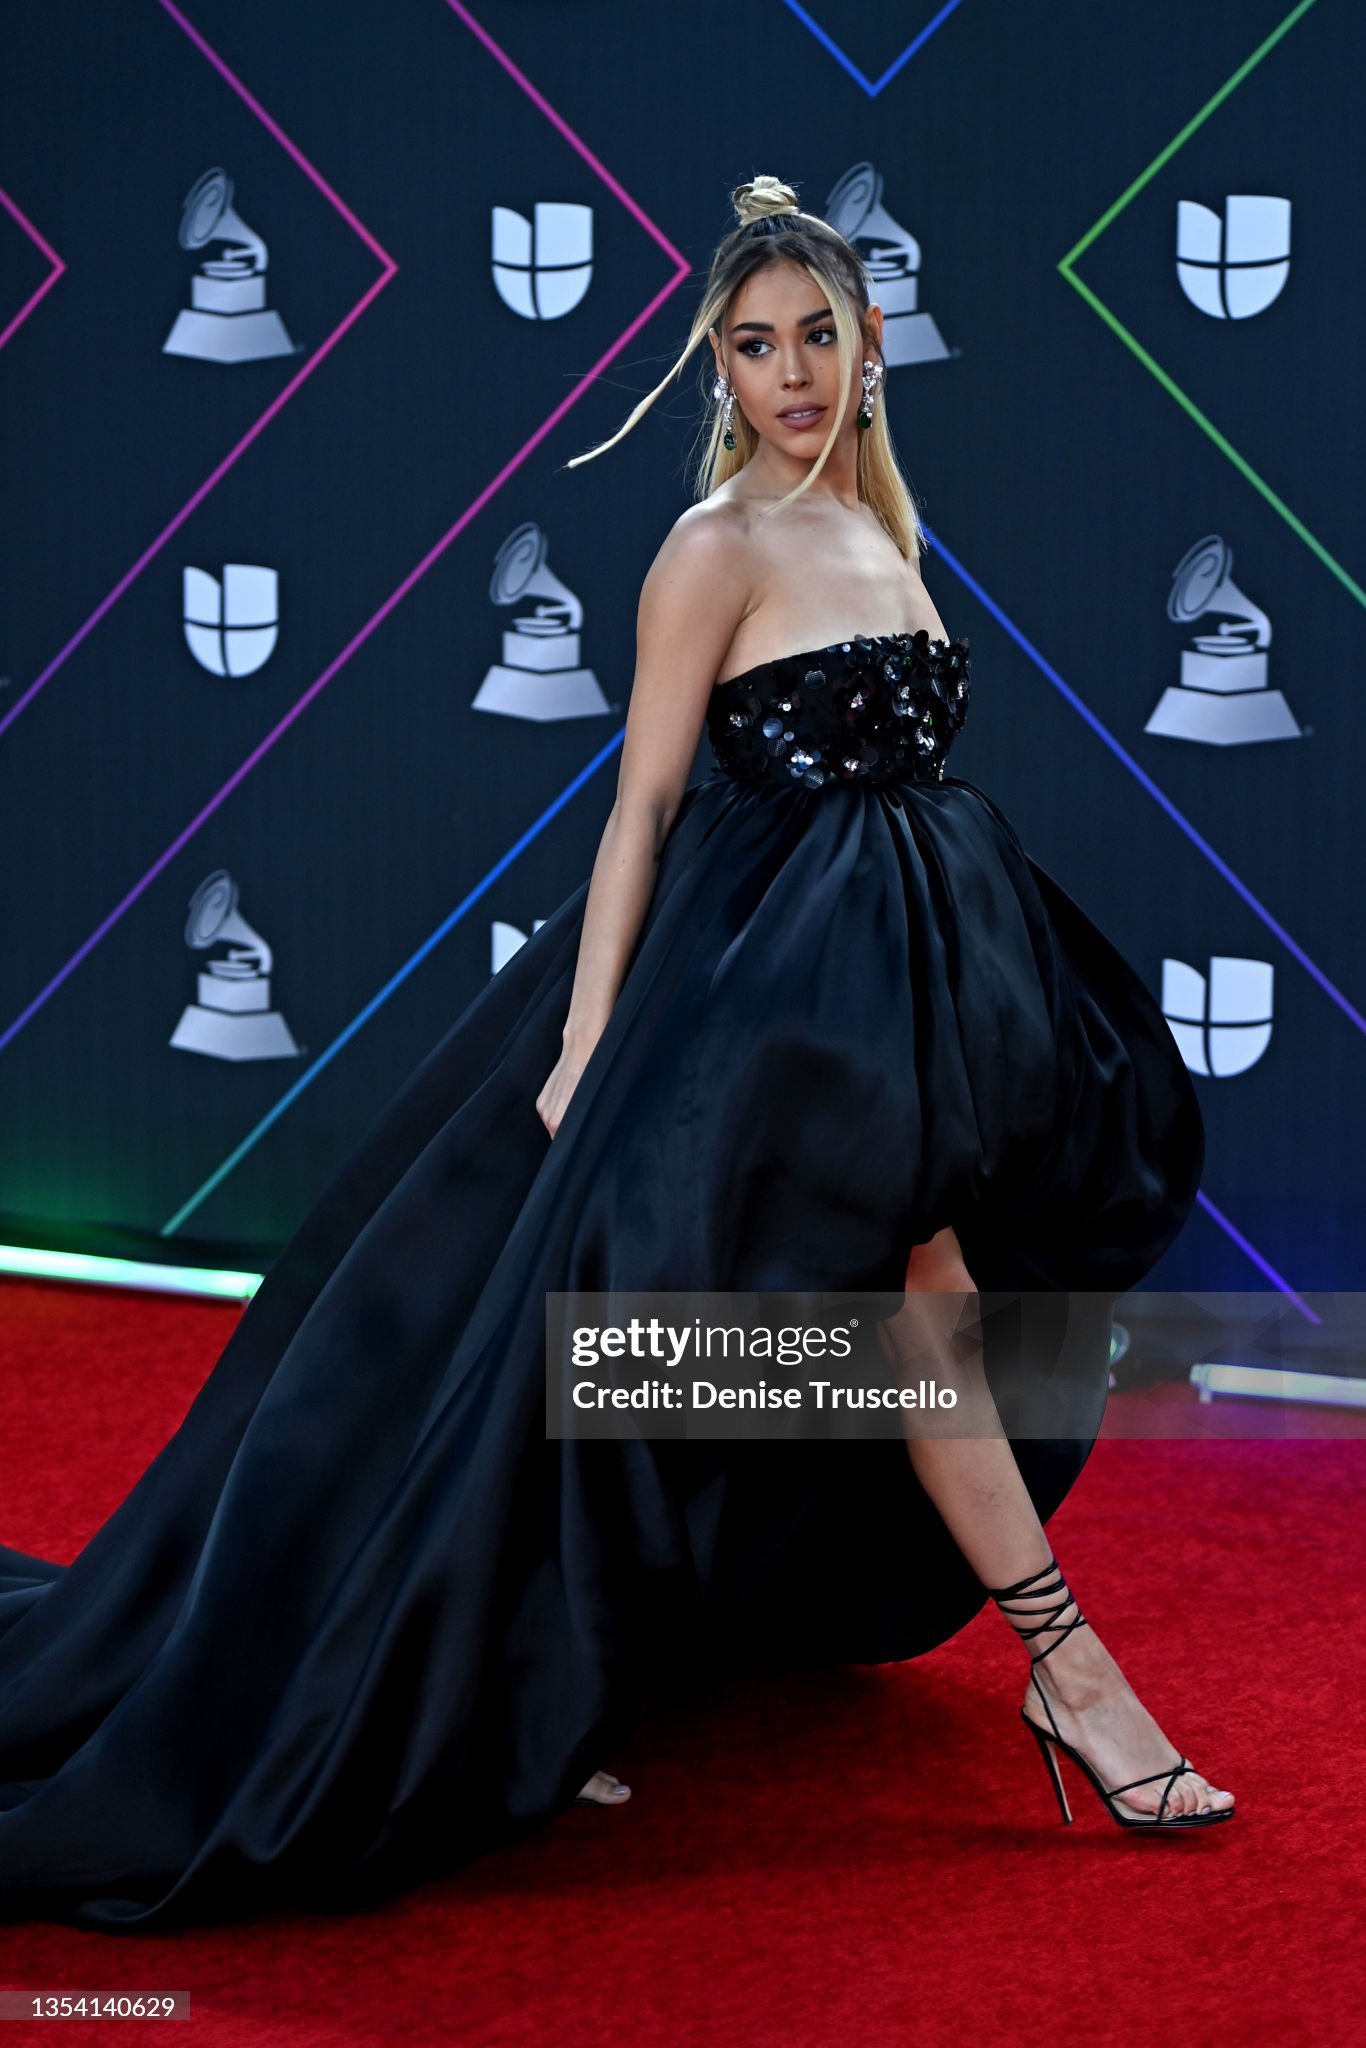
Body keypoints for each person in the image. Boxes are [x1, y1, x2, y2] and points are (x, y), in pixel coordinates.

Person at [0, 174, 1230, 1934]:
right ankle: (1065, 1676)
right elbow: (643, 802)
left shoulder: (880, 524)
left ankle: (571, 1670)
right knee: (754, 1328)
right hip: (758, 1005)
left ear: (869, 343)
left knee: (832, 1328)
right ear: (715, 366)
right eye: (754, 345)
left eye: (816, 336)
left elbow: (895, 790)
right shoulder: (711, 545)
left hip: (899, 988)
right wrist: (589, 1041)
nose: (789, 373)